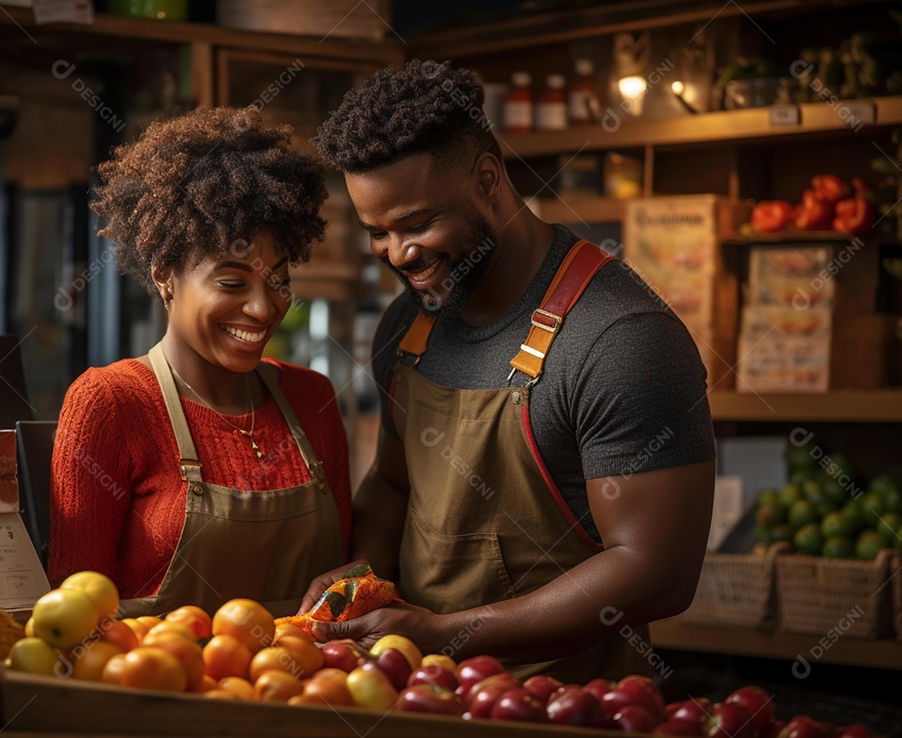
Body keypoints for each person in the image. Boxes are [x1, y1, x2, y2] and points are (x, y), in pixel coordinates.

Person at [301, 60, 716, 682]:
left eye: (416, 224)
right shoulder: (408, 325)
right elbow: (392, 486)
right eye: (376, 232)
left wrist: (447, 635)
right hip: (420, 696)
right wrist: (364, 569)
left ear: (488, 178)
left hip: (564, 707)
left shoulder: (620, 338)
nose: (399, 254)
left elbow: (657, 573)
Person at [48, 107, 351, 618]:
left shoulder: (311, 398)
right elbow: (75, 617)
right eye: (232, 283)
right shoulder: (109, 403)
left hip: (308, 689)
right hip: (162, 687)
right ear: (165, 274)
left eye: (278, 281)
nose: (263, 307)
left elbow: (341, 575)